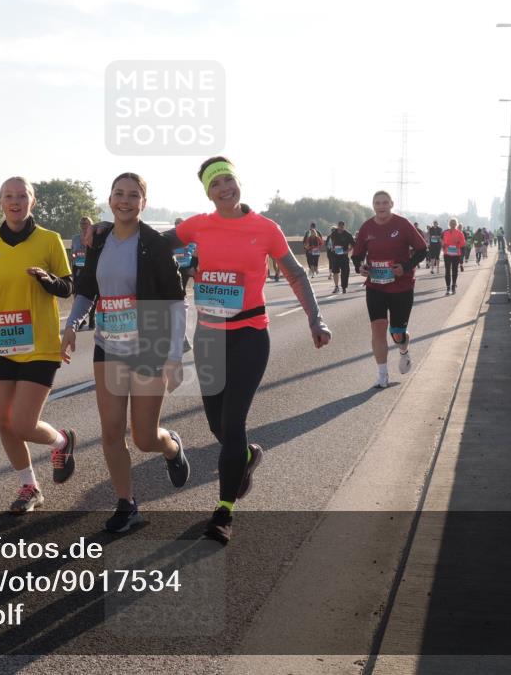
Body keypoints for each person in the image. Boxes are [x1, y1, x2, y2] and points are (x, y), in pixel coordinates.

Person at [171, 157, 331, 544]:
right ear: (207, 193)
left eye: (228, 181)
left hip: (250, 335)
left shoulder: (265, 228)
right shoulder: (196, 226)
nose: (224, 189)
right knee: (217, 426)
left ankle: (224, 511)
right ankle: (245, 457)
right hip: (210, 337)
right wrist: (111, 230)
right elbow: (150, 244)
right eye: (215, 185)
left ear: (237, 183)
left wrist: (315, 318)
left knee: (234, 423)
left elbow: (294, 273)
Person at [61, 173, 189, 533]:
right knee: (112, 431)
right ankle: (127, 503)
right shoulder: (99, 241)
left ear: (143, 203)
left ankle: (171, 447)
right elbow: (87, 288)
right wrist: (72, 325)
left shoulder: (155, 244)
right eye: (119, 193)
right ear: (110, 198)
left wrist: (175, 355)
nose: (125, 200)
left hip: (149, 346)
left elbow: (177, 303)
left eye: (134, 195)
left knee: (144, 436)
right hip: (108, 347)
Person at [0, 177, 76, 514]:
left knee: (23, 423)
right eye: (9, 196)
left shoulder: (50, 240)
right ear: (0, 201)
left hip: (40, 344)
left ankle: (62, 441)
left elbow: (68, 287)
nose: (15, 201)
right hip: (2, 343)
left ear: (32, 202)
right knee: (5, 422)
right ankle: (29, 486)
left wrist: (48, 280)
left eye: (22, 195)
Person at [352, 190, 427, 390]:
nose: (381, 206)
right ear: (373, 205)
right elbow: (357, 255)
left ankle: (403, 350)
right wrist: (360, 266)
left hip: (401, 287)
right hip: (375, 286)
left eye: (385, 202)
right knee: (377, 329)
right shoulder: (367, 227)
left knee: (397, 333)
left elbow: (422, 250)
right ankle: (382, 375)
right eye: (377, 203)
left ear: (391, 204)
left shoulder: (402, 224)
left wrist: (405, 267)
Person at [71, 216, 95, 330]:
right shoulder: (75, 238)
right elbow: (73, 254)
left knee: (91, 294)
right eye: (82, 223)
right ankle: (81, 320)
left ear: (91, 224)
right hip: (78, 268)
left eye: (86, 223)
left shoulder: (95, 237)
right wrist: (76, 256)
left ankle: (92, 319)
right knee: (76, 294)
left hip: (90, 268)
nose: (84, 225)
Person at [329, 220, 355, 293]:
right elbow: (331, 243)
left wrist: (348, 250)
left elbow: (353, 245)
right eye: (339, 227)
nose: (340, 229)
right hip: (335, 255)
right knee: (335, 272)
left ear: (344, 227)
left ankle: (344, 287)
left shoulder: (348, 234)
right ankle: (336, 287)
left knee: (345, 272)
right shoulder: (333, 234)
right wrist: (332, 247)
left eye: (342, 227)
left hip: (344, 256)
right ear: (337, 226)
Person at [441, 218, 466, 295]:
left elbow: (463, 243)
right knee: (447, 271)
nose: (453, 224)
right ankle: (448, 288)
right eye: (451, 223)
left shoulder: (460, 233)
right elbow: (443, 242)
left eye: (454, 223)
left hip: (456, 254)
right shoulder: (446, 232)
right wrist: (444, 245)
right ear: (449, 224)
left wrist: (458, 242)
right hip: (447, 254)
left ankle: (453, 286)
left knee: (454, 270)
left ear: (456, 224)